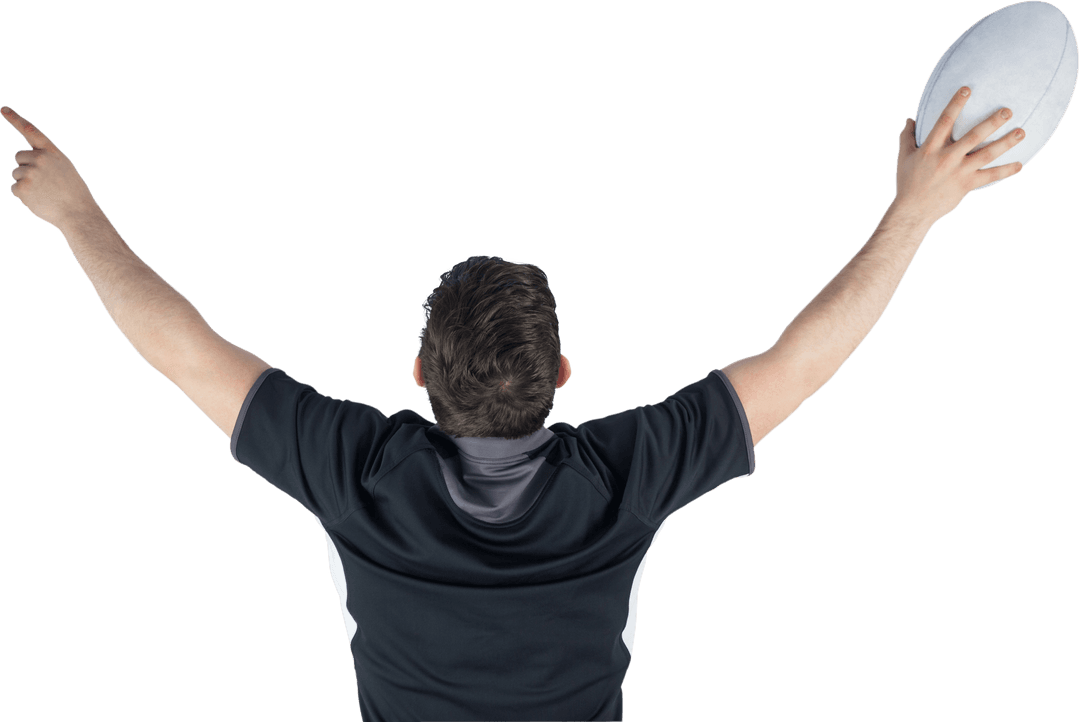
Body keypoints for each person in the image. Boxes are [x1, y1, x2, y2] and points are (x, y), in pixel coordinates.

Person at [1, 87, 1024, 721]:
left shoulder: (356, 472)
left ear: (417, 371)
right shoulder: (626, 476)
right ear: (563, 375)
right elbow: (802, 362)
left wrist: (76, 214)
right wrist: (917, 207)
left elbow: (182, 350)